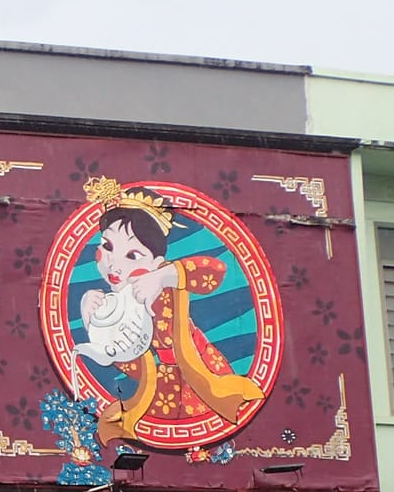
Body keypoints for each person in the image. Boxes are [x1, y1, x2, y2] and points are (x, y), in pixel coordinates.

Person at [74, 176, 265, 443]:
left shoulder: (164, 279)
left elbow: (214, 270)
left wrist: (164, 277)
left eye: (132, 256)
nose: (113, 265)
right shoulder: (117, 304)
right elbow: (133, 361)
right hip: (159, 391)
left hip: (198, 376)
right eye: (107, 247)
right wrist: (91, 322)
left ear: (157, 261)